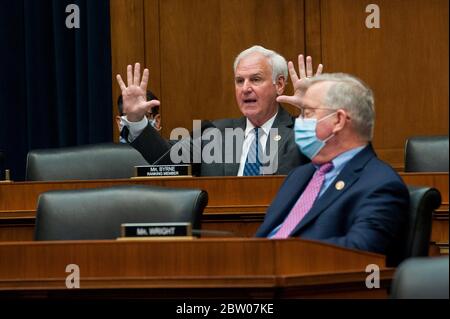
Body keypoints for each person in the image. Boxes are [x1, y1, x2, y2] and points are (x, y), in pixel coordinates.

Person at [255, 65, 409, 265]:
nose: (299, 122)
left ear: (338, 120)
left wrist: (281, 255)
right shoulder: (299, 176)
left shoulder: (381, 185)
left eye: (307, 113)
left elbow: (361, 252)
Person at [115, 45, 322, 176]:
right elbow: (168, 159)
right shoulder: (215, 133)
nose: (245, 88)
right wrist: (136, 120)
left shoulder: (300, 131)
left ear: (279, 84)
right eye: (239, 81)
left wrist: (313, 113)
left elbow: (327, 159)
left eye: (255, 79)